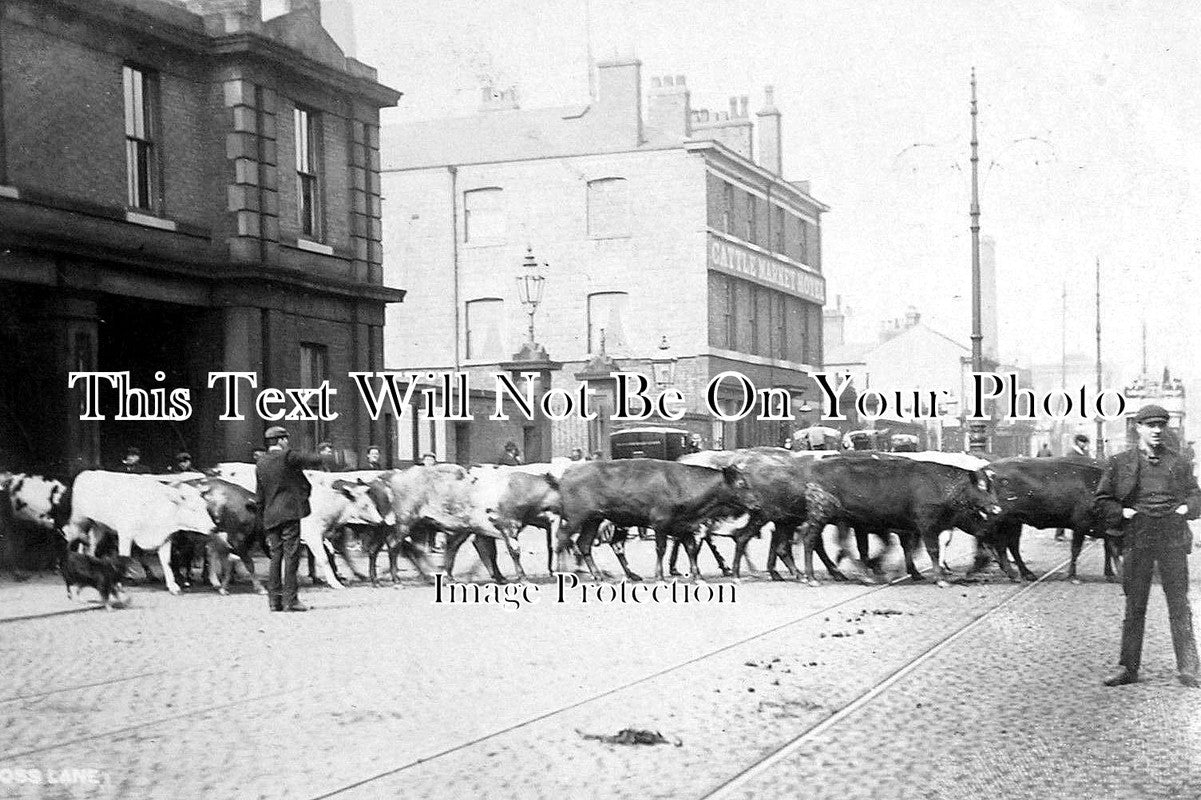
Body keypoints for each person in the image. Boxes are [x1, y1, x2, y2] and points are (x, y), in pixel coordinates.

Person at [1096, 404, 1200, 688]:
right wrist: (1122, 513)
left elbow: (1195, 496)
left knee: (1179, 603)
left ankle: (1190, 668)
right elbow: (1102, 500)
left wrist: (1185, 509)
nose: (1156, 430)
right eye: (1150, 425)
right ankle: (1127, 668)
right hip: (1138, 536)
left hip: (1171, 536)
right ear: (1138, 428)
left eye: (1160, 425)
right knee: (1135, 605)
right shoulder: (1120, 463)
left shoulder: (1178, 462)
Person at [255, 426, 325, 613]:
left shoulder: (260, 463)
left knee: (275, 557)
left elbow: (259, 496)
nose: (287, 442)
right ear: (280, 441)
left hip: (271, 516)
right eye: (286, 439)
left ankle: (274, 602)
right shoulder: (287, 457)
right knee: (291, 556)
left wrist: (262, 519)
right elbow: (310, 459)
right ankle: (291, 601)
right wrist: (330, 457)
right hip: (289, 514)